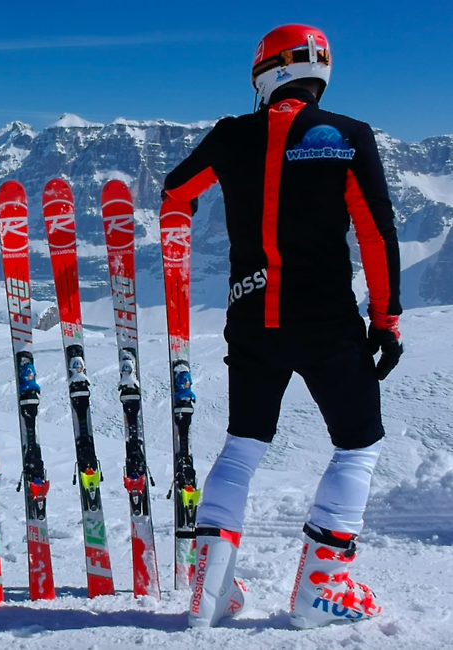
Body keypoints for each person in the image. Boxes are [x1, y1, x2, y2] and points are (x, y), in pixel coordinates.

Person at [160, 24, 402, 629]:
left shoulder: (230, 134)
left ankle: (209, 595)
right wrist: (386, 320)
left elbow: (175, 192)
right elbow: (376, 234)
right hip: (327, 323)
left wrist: (191, 220)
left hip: (251, 318)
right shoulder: (347, 136)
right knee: (358, 445)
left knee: (242, 447)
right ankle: (322, 589)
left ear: (265, 74)